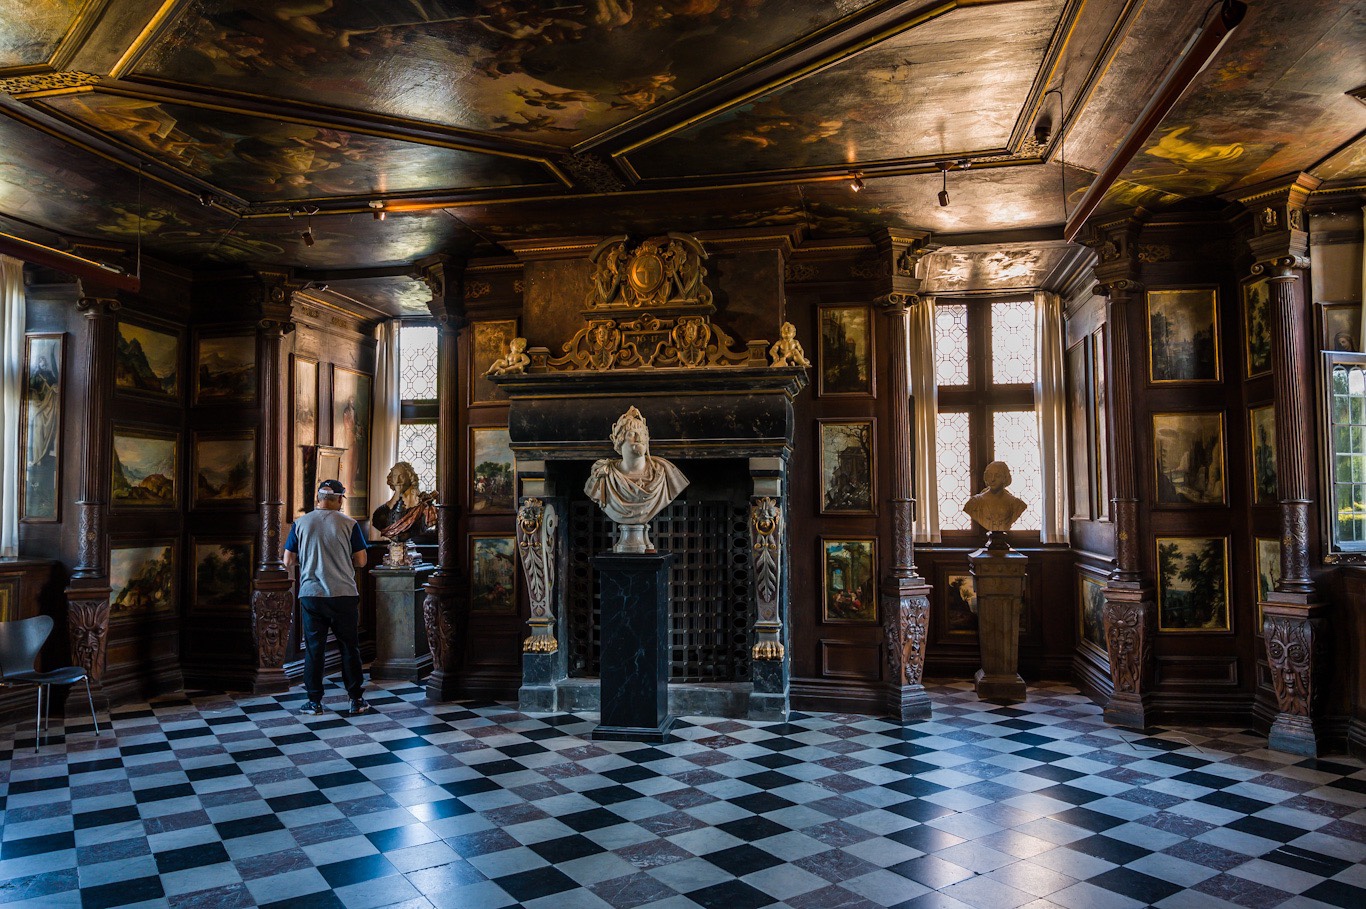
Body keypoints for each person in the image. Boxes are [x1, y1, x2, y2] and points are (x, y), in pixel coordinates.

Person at [284, 479, 373, 716]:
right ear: (339, 499)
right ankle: (356, 700)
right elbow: (361, 561)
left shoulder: (300, 523)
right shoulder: (349, 524)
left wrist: (310, 560)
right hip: (343, 594)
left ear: (318, 498)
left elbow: (288, 560)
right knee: (349, 648)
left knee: (314, 650)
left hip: (312, 595)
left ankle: (314, 702)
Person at [585, 406, 688, 551]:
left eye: (642, 434)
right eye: (632, 434)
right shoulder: (604, 474)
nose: (639, 439)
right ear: (619, 440)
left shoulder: (665, 473)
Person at [963, 461, 1028, 534]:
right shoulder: (974, 503)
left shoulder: (1017, 504)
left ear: (1005, 478)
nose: (992, 479)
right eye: (990, 475)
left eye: (997, 476)